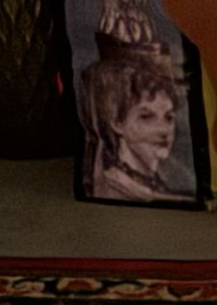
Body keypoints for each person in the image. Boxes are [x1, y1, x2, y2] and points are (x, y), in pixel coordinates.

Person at [79, 44, 184, 203]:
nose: (163, 129)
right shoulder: (115, 186)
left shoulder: (160, 182)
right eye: (146, 117)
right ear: (117, 123)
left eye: (168, 117)